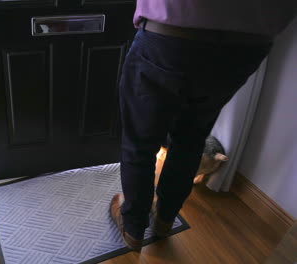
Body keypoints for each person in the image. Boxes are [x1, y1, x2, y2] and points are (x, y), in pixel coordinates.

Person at [110, 1, 297, 251]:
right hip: (247, 46)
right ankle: (165, 219)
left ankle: (133, 227)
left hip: (170, 33)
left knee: (140, 142)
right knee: (191, 138)